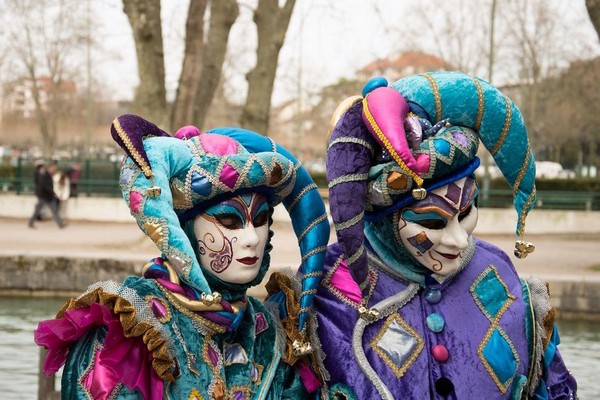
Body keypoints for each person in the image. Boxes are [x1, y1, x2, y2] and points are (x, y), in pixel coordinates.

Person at [312, 72, 577, 399]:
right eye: (434, 222)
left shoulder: (498, 275)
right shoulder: (324, 288)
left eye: (466, 213)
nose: (460, 241)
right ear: (383, 219)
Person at [34, 115, 330, 399]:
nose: (252, 239)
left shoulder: (270, 332)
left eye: (261, 219)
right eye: (229, 222)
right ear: (184, 231)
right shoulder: (129, 330)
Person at [28, 160, 65, 228]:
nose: (54, 170)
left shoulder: (48, 175)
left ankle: (60, 224)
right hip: (44, 196)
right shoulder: (45, 175)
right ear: (50, 168)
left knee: (54, 210)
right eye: (54, 169)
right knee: (38, 210)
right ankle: (31, 222)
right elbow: (45, 186)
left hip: (48, 196)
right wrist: (53, 193)